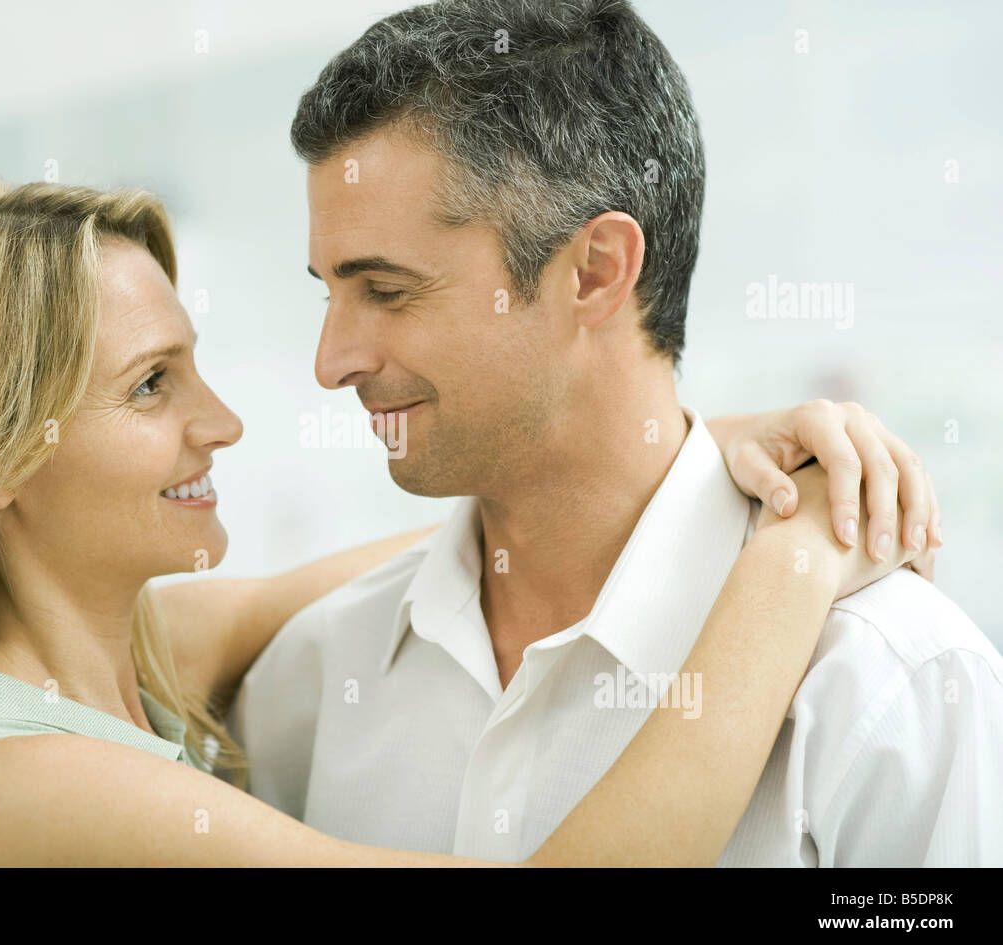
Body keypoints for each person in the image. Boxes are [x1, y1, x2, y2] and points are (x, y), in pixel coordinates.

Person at [0, 183, 931, 867]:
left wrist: (709, 449)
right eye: (150, 387)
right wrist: (796, 552)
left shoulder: (144, 655)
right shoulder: (1, 785)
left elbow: (482, 533)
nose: (221, 423)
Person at [229, 0, 1003, 866]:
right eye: (326, 291)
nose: (330, 362)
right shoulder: (313, 677)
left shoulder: (890, 682)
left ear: (596, 272)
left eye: (386, 290)